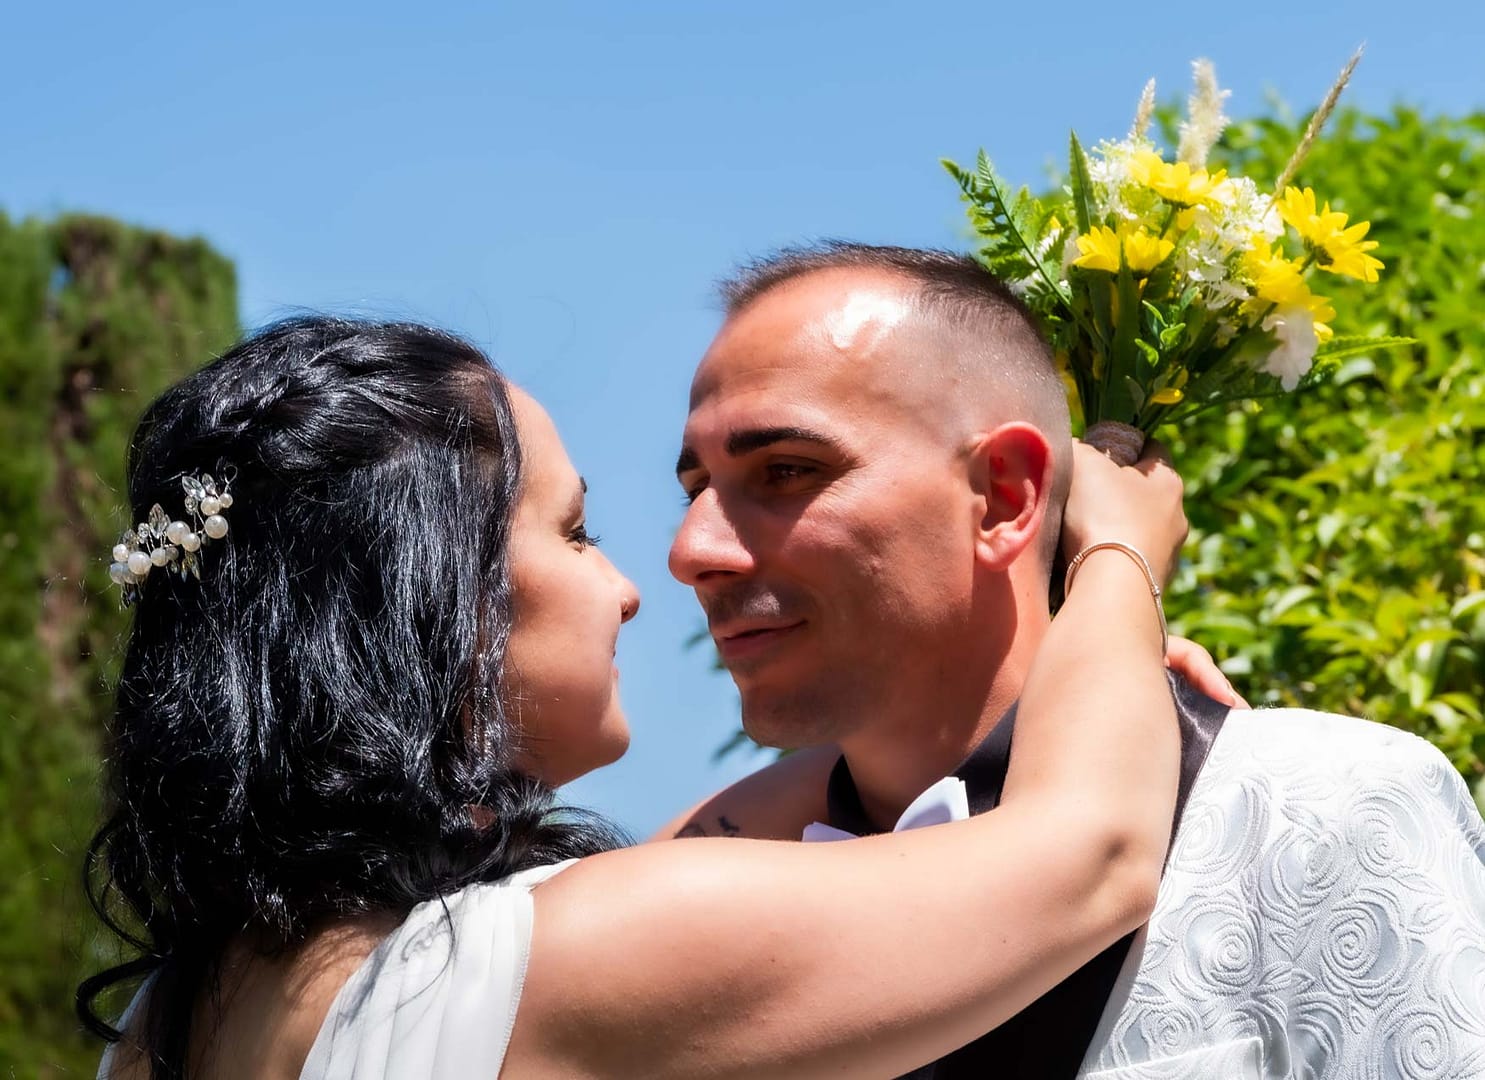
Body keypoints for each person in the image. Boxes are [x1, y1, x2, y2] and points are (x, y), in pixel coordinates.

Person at [82, 315, 1193, 1079]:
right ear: (436, 597)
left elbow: (777, 809)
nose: (629, 584)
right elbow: (1091, 855)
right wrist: (1121, 560)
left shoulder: (177, 1016)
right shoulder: (552, 962)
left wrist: (1074, 682)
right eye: (576, 531)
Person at [663, 243, 1485, 1079]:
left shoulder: (1319, 802)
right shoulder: (692, 929)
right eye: (694, 490)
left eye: (787, 471)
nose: (692, 551)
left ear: (1006, 495)